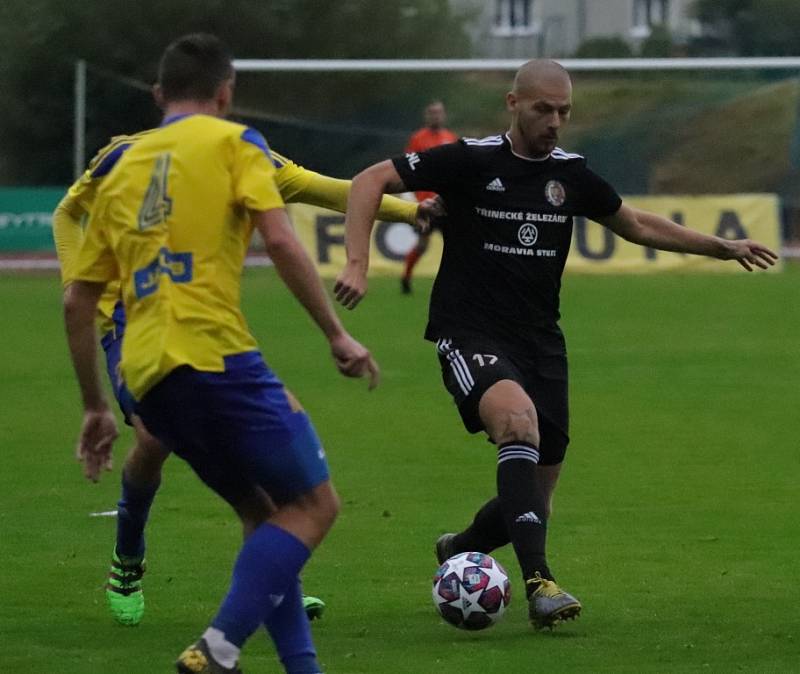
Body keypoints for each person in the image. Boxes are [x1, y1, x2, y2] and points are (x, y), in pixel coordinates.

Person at [333, 59, 777, 630]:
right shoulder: (471, 160)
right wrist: (357, 262)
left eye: (564, 111)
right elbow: (371, 180)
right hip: (469, 333)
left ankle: (461, 547)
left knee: (533, 503)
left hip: (542, 344)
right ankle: (540, 582)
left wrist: (721, 247)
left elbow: (636, 224)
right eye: (544, 109)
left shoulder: (572, 175)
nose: (555, 121)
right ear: (513, 103)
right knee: (516, 423)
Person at [65, 33, 379, 674]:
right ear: (227, 93)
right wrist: (335, 335)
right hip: (215, 356)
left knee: (264, 516)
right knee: (317, 506)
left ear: (159, 96)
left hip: (146, 375)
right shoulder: (237, 144)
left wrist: (96, 407)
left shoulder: (119, 167)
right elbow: (282, 242)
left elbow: (77, 300)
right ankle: (219, 647)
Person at [54, 121, 437, 629]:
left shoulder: (242, 152)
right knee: (153, 441)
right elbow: (68, 211)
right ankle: (129, 559)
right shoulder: (126, 156)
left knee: (260, 447)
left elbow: (319, 188)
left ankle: (274, 585)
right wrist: (87, 287)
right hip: (133, 320)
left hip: (208, 327)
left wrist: (411, 210)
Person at [400, 100, 458, 294]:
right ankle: (406, 277)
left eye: (439, 112)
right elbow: (407, 168)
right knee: (423, 244)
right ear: (427, 115)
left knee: (456, 245)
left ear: (444, 115)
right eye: (432, 112)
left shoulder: (450, 138)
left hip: (447, 203)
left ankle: (455, 284)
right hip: (426, 204)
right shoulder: (418, 139)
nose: (436, 116)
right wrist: (412, 197)